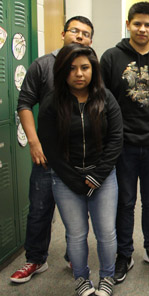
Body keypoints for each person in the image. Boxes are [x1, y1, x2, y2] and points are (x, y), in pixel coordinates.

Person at [100, 1, 149, 283]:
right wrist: (113, 137)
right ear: (128, 24)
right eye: (137, 24)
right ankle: (124, 253)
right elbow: (102, 102)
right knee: (124, 202)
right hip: (123, 145)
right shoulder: (111, 57)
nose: (142, 29)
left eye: (148, 25)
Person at [11, 16, 94, 284]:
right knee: (40, 209)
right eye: (75, 31)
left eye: (86, 33)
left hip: (79, 157)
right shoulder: (42, 65)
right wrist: (34, 142)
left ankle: (75, 256)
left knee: (79, 211)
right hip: (46, 156)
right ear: (63, 33)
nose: (80, 36)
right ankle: (35, 259)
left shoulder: (91, 67)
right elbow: (24, 104)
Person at [37, 44, 123, 296]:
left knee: (106, 232)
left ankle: (107, 277)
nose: (79, 74)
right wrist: (73, 179)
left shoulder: (106, 98)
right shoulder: (52, 103)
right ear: (63, 71)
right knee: (76, 234)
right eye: (72, 68)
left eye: (85, 67)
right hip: (66, 178)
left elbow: (116, 139)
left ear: (93, 69)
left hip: (103, 177)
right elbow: (50, 147)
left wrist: (97, 175)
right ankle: (81, 278)